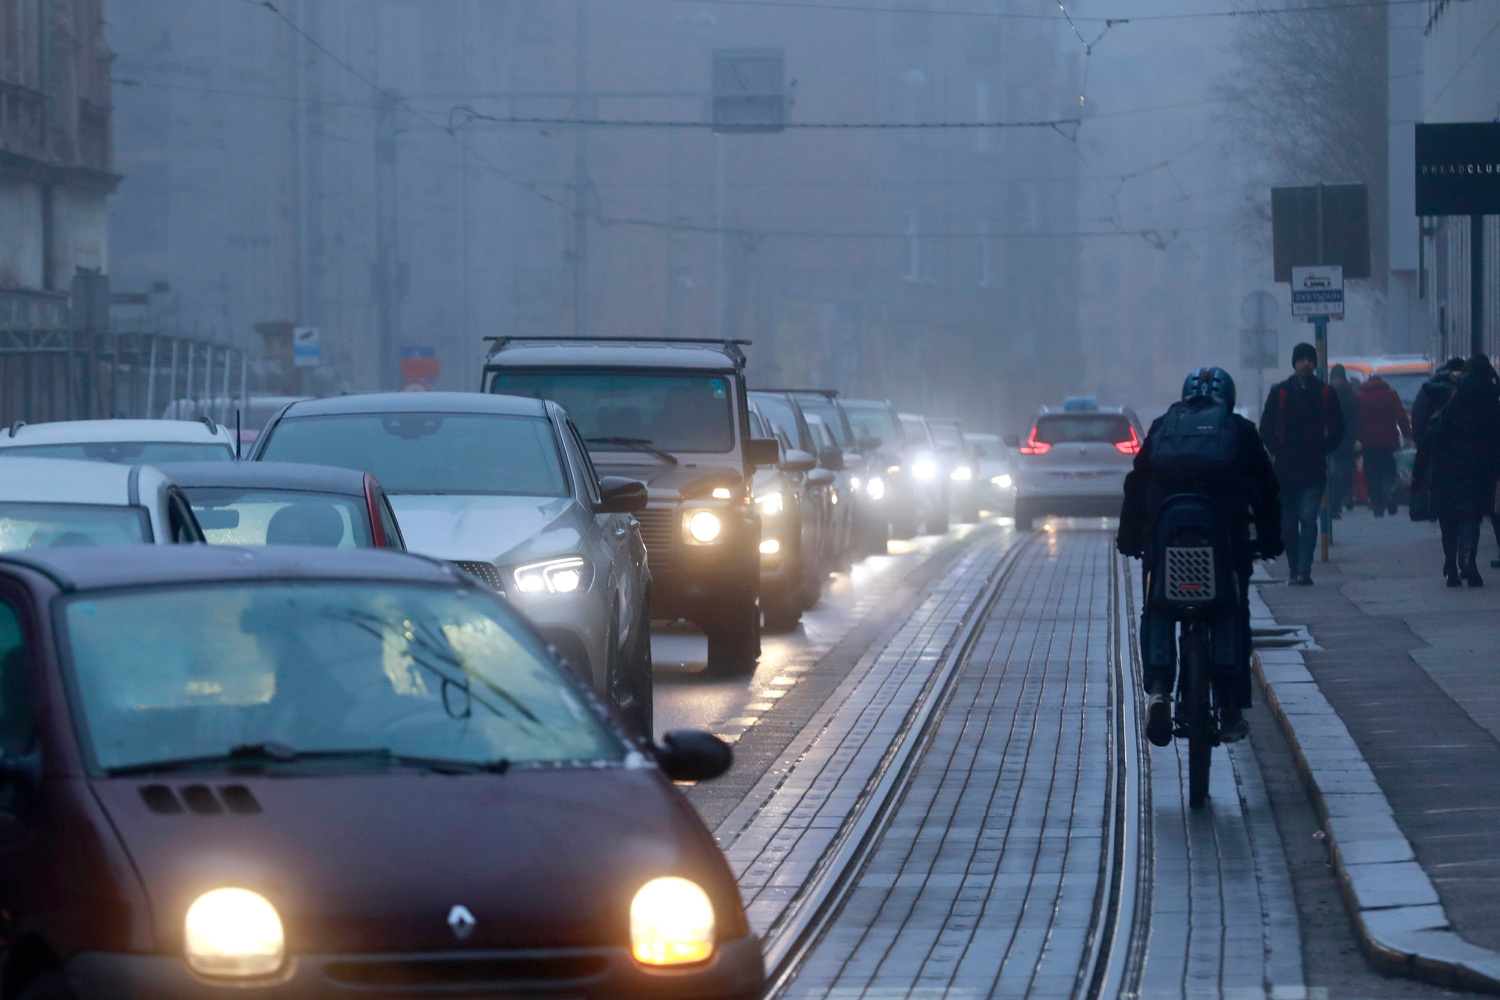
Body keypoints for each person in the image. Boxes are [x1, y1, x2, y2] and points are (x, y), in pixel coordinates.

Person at [1119, 367, 1282, 747]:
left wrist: (1130, 538)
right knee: (1231, 611)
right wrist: (1270, 540)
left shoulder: (1163, 426)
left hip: (1165, 539)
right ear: (1229, 398)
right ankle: (1230, 706)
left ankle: (1159, 691)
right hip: (1225, 541)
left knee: (1157, 608)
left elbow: (1136, 484)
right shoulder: (1240, 430)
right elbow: (1267, 490)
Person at [1260, 343, 1345, 585]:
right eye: (1302, 359)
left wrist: (1323, 449)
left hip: (1313, 469)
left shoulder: (1325, 393)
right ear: (1294, 363)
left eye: (1310, 359)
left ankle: (1304, 570)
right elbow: (1265, 428)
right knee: (1288, 524)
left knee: (1308, 517)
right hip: (1286, 470)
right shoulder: (1280, 393)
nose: (1306, 363)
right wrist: (1277, 450)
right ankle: (1294, 567)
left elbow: (1338, 428)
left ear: (1315, 364)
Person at [1427, 354, 1500, 587]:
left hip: (1444, 463)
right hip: (1475, 463)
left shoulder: (1451, 389)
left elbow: (1428, 385)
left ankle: (1450, 566)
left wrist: (1447, 374)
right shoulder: (1491, 395)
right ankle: (1469, 561)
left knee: (1448, 516)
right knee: (1470, 514)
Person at [1354, 373, 1412, 517]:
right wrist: (1407, 434)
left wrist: (1357, 437)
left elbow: (1355, 419)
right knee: (1388, 472)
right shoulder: (1391, 394)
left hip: (1368, 442)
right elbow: (1401, 415)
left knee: (1371, 474)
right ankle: (1389, 496)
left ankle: (1377, 506)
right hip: (1389, 441)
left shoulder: (1360, 396)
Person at [1328, 364, 1358, 517]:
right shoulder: (1350, 393)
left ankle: (1337, 503)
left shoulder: (1327, 393)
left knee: (1336, 472)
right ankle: (1346, 497)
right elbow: (1355, 417)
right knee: (1345, 470)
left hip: (1335, 439)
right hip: (1345, 439)